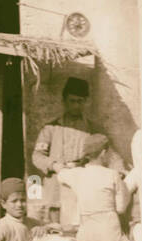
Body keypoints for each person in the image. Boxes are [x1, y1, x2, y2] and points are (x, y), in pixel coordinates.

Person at [32, 77, 103, 228]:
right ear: (64, 101)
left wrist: (122, 170)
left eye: (80, 101)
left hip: (80, 182)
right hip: (56, 182)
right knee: (53, 227)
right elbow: (37, 156)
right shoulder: (50, 128)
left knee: (77, 225)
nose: (76, 105)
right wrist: (54, 165)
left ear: (85, 102)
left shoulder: (93, 128)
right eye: (72, 101)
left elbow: (108, 151)